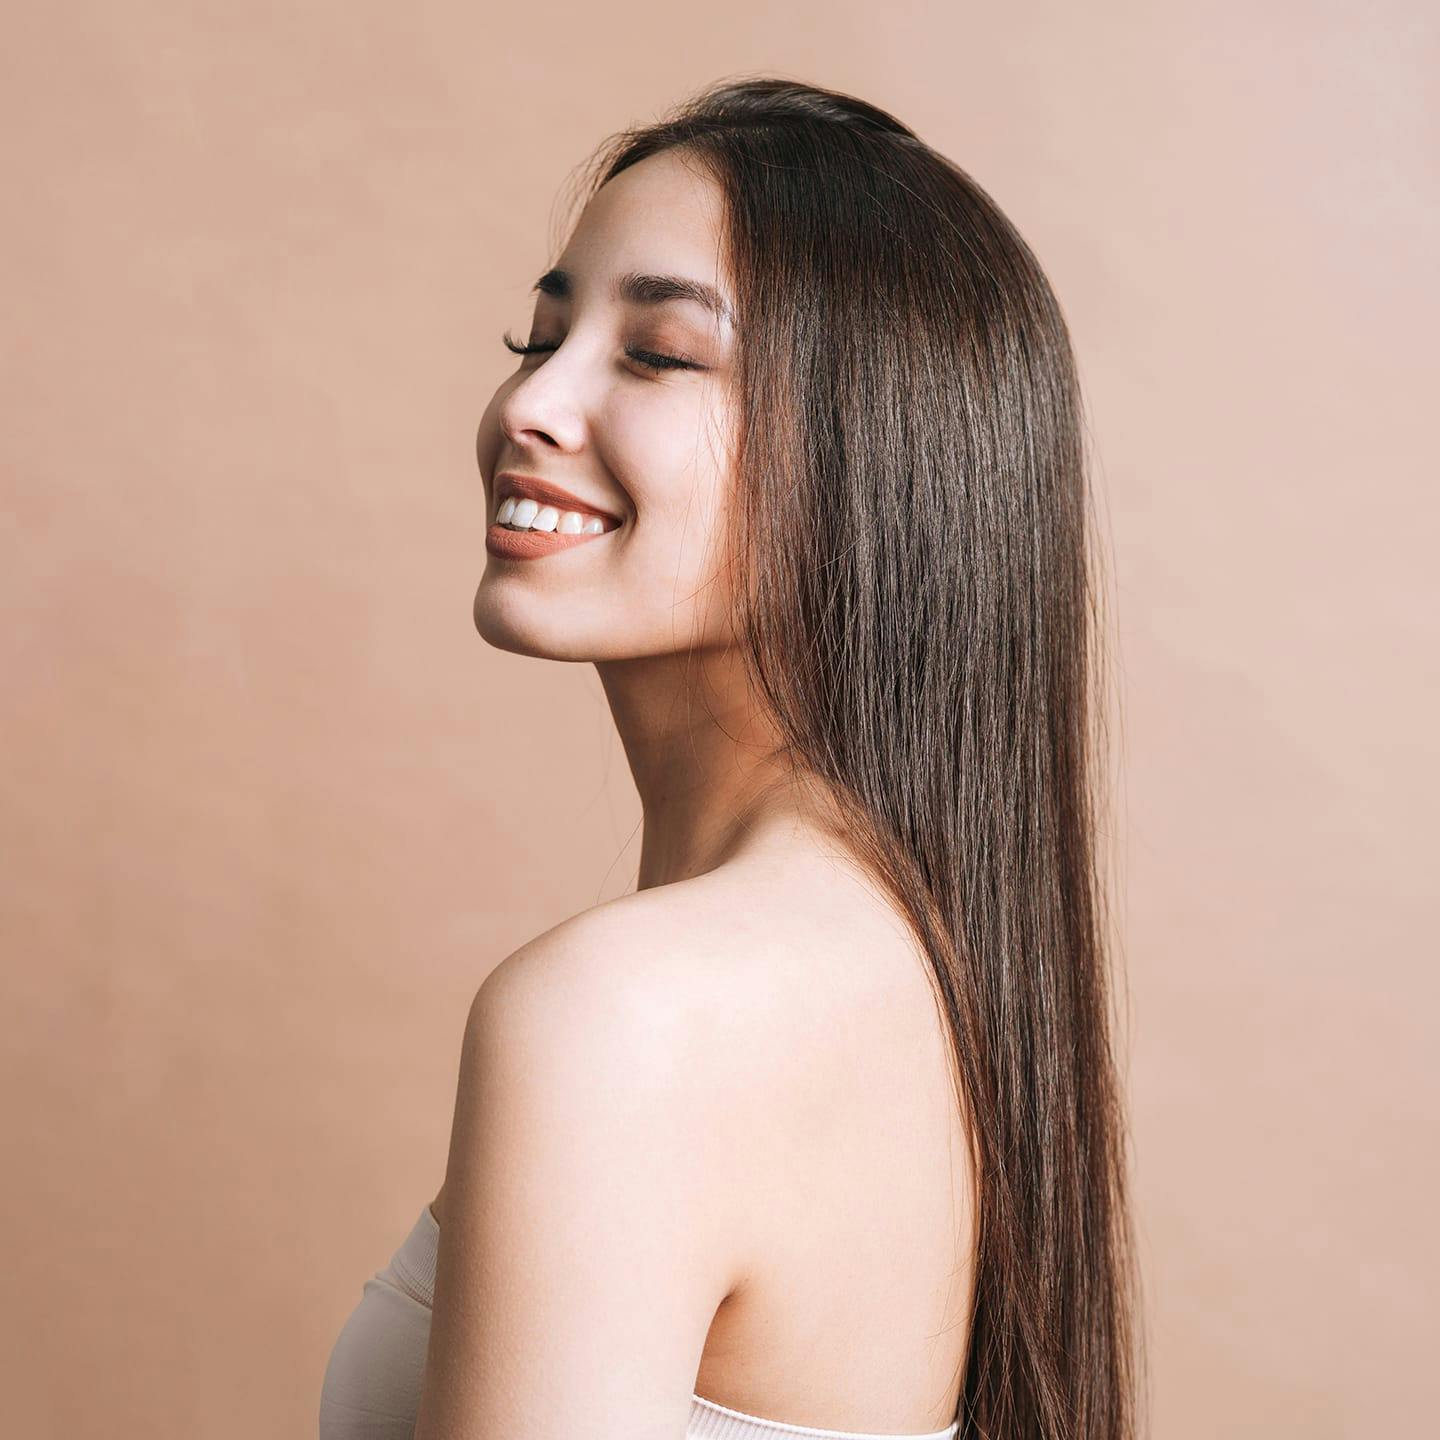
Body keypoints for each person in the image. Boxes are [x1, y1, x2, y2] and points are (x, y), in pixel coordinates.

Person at [320, 75, 1145, 1440]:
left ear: (872, 457)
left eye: (655, 355)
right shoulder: (938, 963)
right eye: (539, 335)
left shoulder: (629, 1012)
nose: (531, 401)